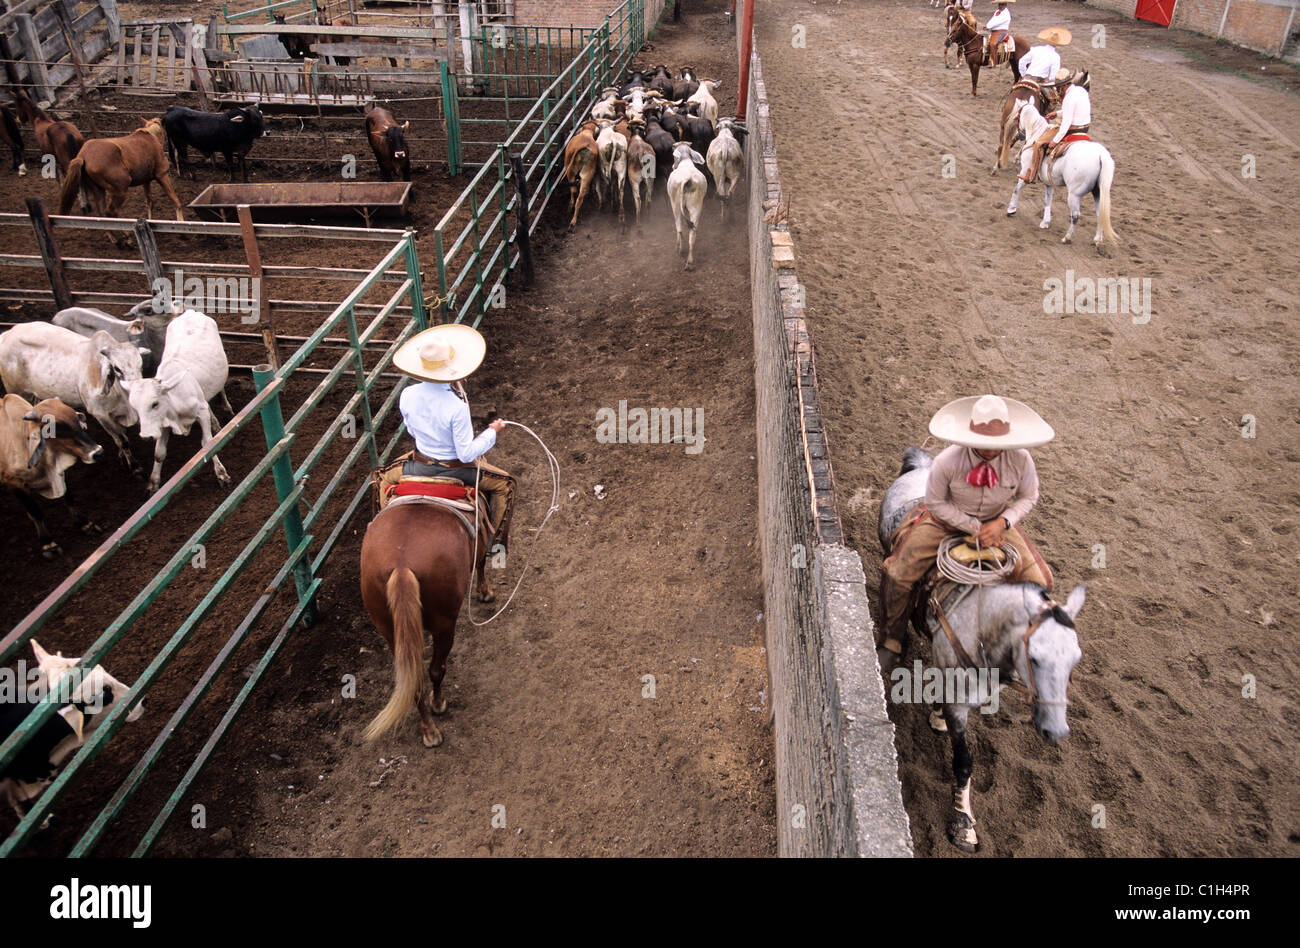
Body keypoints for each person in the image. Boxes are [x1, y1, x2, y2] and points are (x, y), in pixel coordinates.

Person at [877, 395, 1055, 667]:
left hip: (997, 523)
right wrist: (972, 526)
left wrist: (1003, 522)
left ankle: (1025, 644)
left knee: (1042, 580)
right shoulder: (948, 461)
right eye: (984, 444)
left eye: (996, 445)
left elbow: (1029, 496)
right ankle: (892, 637)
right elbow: (935, 503)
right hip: (946, 522)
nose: (990, 450)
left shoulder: (1021, 460)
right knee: (898, 573)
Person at [393, 323, 516, 552]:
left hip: (419, 463)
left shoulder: (407, 394)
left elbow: (411, 429)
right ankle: (495, 543)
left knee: (381, 479)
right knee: (506, 484)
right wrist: (492, 432)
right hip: (455, 468)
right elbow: (466, 453)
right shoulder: (455, 406)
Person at [986, 1, 1014, 66]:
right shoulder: (997, 12)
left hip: (1001, 31)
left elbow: (998, 22)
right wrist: (987, 25)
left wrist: (988, 26)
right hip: (994, 31)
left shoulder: (1006, 14)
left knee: (993, 44)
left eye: (1001, 5)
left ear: (1005, 5)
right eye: (999, 4)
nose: (1000, 6)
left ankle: (993, 61)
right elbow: (993, 20)